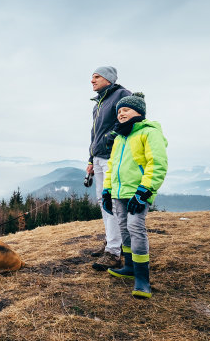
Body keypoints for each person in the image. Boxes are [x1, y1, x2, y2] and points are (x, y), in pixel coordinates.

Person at [102, 93, 168, 298]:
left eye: (126, 110)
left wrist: (144, 191)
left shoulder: (149, 132)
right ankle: (129, 267)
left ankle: (142, 278)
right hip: (119, 192)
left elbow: (157, 163)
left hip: (138, 192)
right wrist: (107, 190)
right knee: (124, 228)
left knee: (135, 227)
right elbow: (111, 166)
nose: (121, 114)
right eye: (119, 111)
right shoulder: (120, 137)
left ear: (139, 112)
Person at [87, 66, 131, 271]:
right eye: (92, 77)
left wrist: (108, 140)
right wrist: (90, 159)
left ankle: (114, 252)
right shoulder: (98, 104)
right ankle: (112, 242)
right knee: (103, 202)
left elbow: (126, 120)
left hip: (112, 157)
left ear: (109, 79)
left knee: (111, 202)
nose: (92, 80)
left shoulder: (122, 95)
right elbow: (93, 135)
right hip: (98, 158)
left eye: (96, 76)